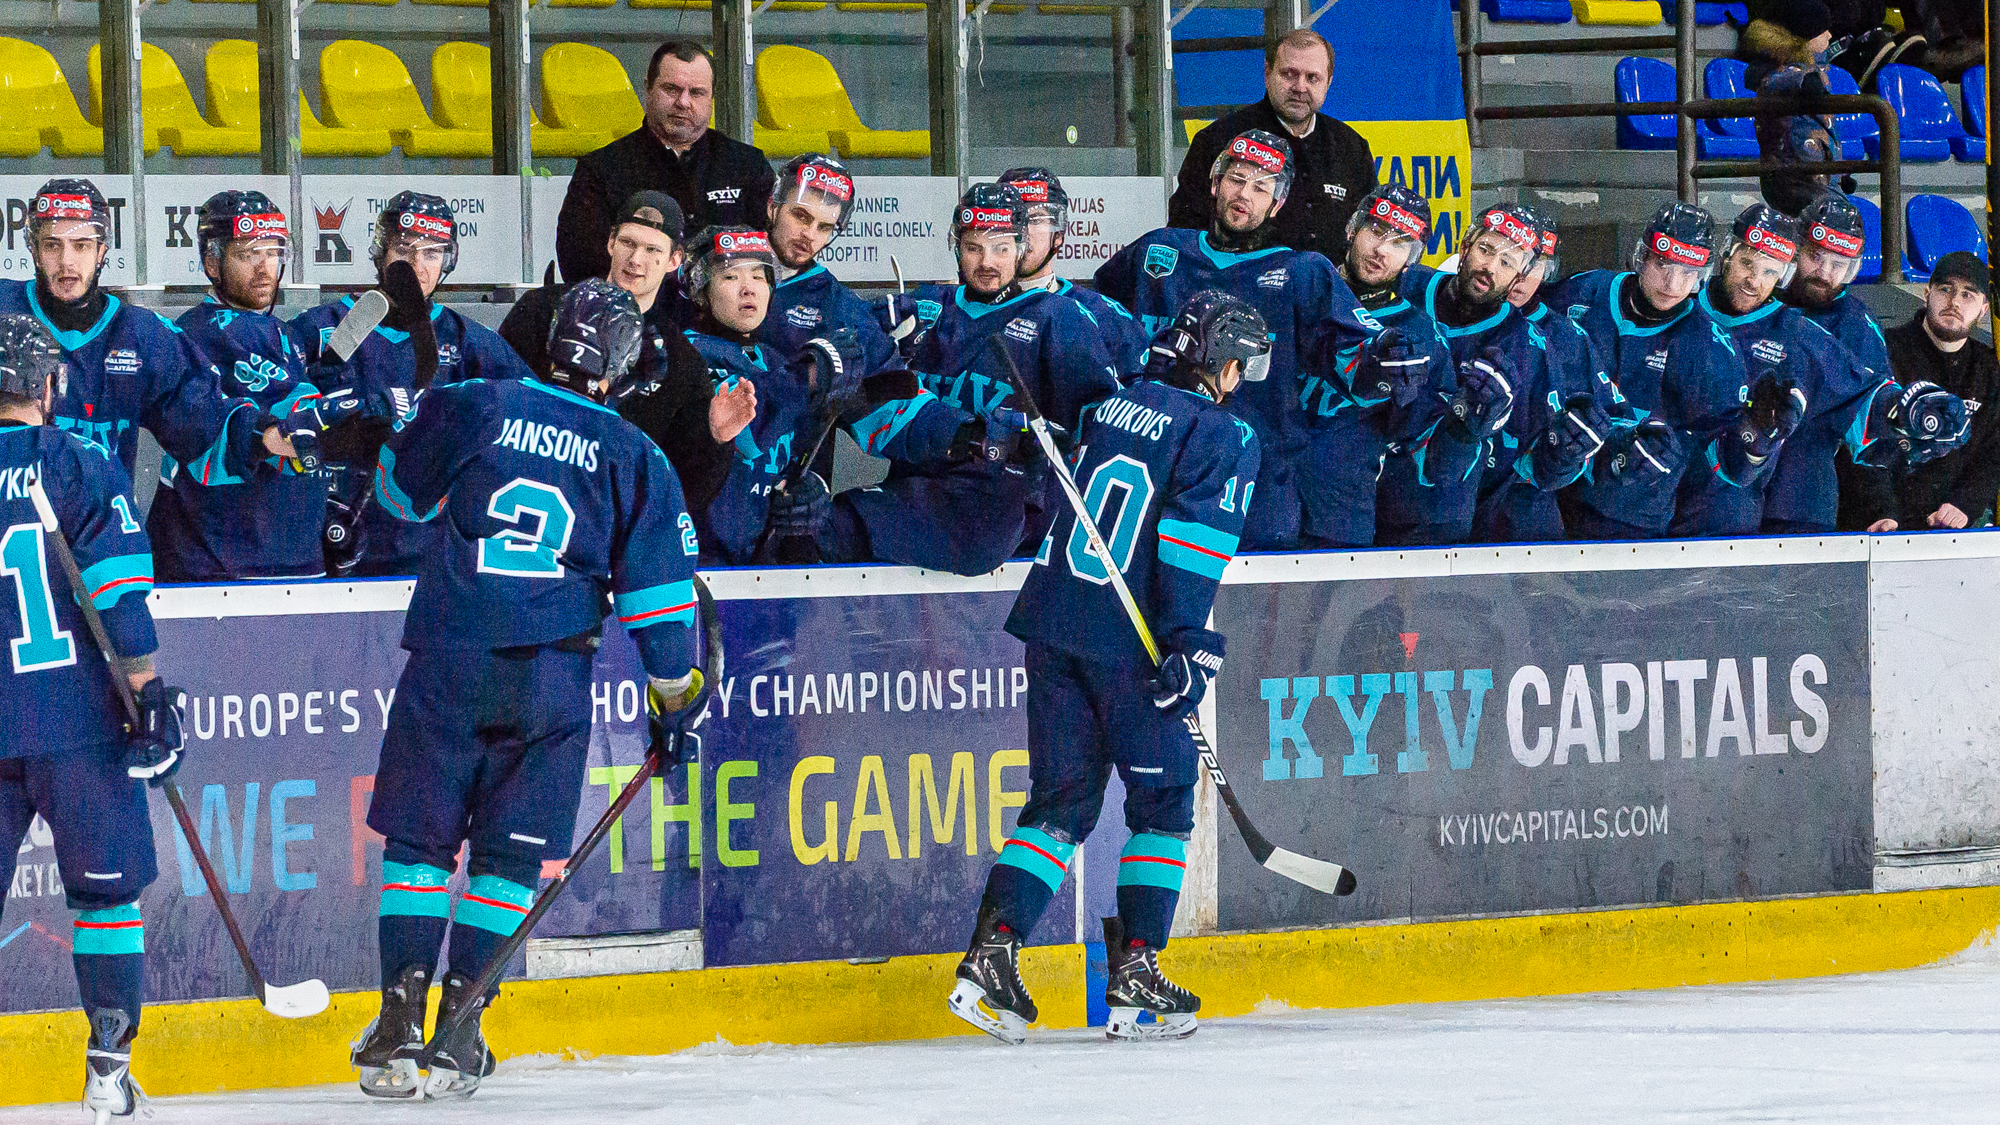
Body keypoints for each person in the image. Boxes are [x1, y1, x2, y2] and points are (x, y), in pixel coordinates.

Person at [350, 280, 708, 1100]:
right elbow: (660, 610)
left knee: (420, 843)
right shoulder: (635, 455)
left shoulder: (478, 401)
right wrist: (672, 704)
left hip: (448, 654)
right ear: (618, 366)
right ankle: (461, 1022)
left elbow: (400, 498)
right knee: (508, 857)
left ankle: (401, 1014)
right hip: (549, 677)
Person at [949, 290, 1264, 1047]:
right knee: (1163, 804)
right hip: (1132, 644)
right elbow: (1193, 543)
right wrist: (1188, 642)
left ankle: (990, 958)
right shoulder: (1221, 431)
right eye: (1240, 364)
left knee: (1061, 803)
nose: (1240, 379)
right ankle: (1136, 973)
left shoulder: (1112, 407)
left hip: (1055, 622)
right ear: (1219, 363)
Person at [0, 314, 183, 1121]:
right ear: (47, 386)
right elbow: (119, 600)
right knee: (106, 899)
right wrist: (148, 694)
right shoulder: (76, 461)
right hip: (77, 723)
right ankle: (108, 1071)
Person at [1098, 129, 1406, 550]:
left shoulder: (1303, 273)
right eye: (1237, 179)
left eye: (1261, 188)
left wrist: (1386, 360)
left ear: (1277, 203)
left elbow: (1360, 361)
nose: (1244, 194)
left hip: (1255, 487)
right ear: (1215, 183)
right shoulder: (1158, 251)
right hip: (1152, 468)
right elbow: (1099, 326)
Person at [836, 183, 1120, 575]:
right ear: (956, 247)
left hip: (1002, 513)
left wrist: (1056, 441)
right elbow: (852, 376)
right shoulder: (926, 308)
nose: (987, 262)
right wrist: (875, 340)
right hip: (916, 495)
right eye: (974, 248)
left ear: (1020, 248)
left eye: (1001, 248)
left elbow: (1101, 421)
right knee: (821, 528)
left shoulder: (1059, 318)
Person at [679, 226, 964, 565]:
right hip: (698, 561)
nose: (748, 288)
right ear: (700, 291)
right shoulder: (687, 356)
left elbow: (798, 450)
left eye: (758, 276)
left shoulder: (771, 360)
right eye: (730, 277)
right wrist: (809, 374)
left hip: (757, 564)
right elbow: (744, 433)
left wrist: (810, 490)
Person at [1678, 203, 1963, 536]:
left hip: (1799, 500)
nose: (1824, 272)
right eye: (1815, 256)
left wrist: (1881, 506)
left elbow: (1864, 412)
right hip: (1702, 498)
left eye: (1839, 263)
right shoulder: (1697, 308)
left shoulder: (1842, 328)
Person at [0, 179, 302, 489]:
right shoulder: (4, 308)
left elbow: (204, 425)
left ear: (102, 250)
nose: (67, 261)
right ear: (34, 250)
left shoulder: (144, 335)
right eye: (52, 245)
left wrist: (269, 435)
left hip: (99, 517)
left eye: (81, 245)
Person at [294, 191, 535, 578]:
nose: (417, 266)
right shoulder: (318, 328)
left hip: (430, 548)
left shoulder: (470, 342)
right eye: (404, 249)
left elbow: (533, 418)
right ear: (381, 252)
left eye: (432, 253)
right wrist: (328, 409)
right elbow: (272, 419)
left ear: (448, 261)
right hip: (324, 538)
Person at [1550, 202, 1789, 540]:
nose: (1673, 283)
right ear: (1642, 257)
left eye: (1688, 273)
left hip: (1632, 516)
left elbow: (1727, 464)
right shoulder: (1584, 291)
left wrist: (1754, 438)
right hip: (1553, 486)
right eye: (1663, 264)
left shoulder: (1710, 347)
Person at [1384, 204, 1608, 545]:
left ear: (1520, 276)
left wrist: (1565, 454)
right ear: (1465, 247)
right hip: (1364, 493)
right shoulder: (1405, 284)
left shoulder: (1529, 347)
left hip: (1453, 520)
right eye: (1486, 250)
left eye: (1507, 262)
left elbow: (1539, 469)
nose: (1489, 267)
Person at [148, 191, 328, 582]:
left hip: (286, 552)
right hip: (216, 558)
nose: (265, 268)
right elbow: (292, 421)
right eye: (248, 254)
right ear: (213, 262)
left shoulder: (284, 332)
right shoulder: (198, 333)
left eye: (273, 252)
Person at [1298, 184, 1459, 549]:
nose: (1382, 249)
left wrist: (1408, 400)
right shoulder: (1299, 286)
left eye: (1400, 243)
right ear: (1352, 228)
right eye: (1376, 231)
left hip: (1340, 514)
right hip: (1262, 496)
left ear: (1411, 260)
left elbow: (1421, 442)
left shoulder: (1420, 333)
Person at [555, 41, 776, 284]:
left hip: (726, 307)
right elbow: (580, 268)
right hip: (633, 306)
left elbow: (773, 257)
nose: (683, 102)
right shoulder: (601, 170)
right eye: (671, 89)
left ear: (711, 97)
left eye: (697, 93)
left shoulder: (748, 165)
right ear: (648, 89)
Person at [1170, 29, 1376, 261]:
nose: (1300, 87)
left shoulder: (1352, 147)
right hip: (1241, 281)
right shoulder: (1219, 139)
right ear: (1267, 73)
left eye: (1312, 78)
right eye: (1289, 74)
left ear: (1328, 82)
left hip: (1330, 283)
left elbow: (1367, 235)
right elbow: (1183, 235)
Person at [1866, 251, 1998, 529]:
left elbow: (1994, 453)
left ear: (1984, 309)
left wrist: (1964, 505)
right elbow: (1860, 441)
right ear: (1927, 294)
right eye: (1946, 289)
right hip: (1883, 523)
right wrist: (1882, 511)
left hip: (1956, 523)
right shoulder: (1883, 351)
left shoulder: (1989, 370)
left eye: (1968, 294)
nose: (1954, 301)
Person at [995, 167, 1151, 374]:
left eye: (1035, 219)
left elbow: (1141, 389)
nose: (1022, 231)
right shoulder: (964, 312)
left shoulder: (1105, 316)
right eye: (1012, 218)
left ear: (1059, 234)